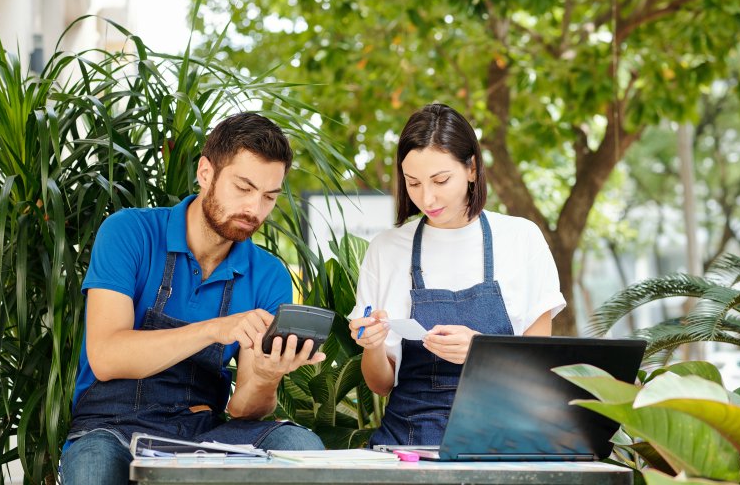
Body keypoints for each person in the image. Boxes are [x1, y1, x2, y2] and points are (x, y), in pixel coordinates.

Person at [61, 113, 325, 484]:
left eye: (269, 197)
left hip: (204, 430)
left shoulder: (269, 274)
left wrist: (266, 377)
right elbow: (106, 357)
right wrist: (215, 329)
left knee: (300, 445)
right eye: (244, 187)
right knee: (94, 470)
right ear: (205, 173)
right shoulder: (129, 232)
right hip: (110, 428)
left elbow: (245, 410)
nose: (255, 209)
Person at [349, 103, 566, 446]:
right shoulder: (386, 249)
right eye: (413, 183)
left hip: (505, 437)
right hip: (411, 438)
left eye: (440, 180)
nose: (427, 197)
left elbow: (540, 368)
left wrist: (481, 352)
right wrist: (372, 346)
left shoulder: (522, 238)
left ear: (471, 168)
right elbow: (380, 384)